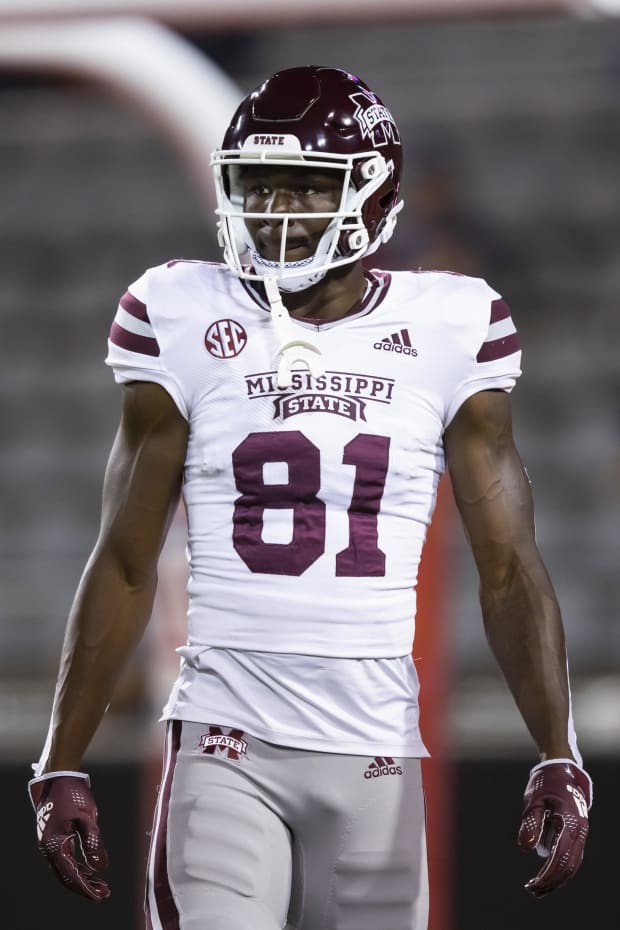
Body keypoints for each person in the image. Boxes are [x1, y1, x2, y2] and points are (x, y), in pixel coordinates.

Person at [28, 66, 592, 930]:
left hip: (376, 752)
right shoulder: (180, 310)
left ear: (372, 195)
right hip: (224, 742)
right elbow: (126, 558)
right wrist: (60, 758)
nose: (275, 212)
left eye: (303, 187)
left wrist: (559, 752)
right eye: (258, 186)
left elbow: (509, 567)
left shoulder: (453, 325)